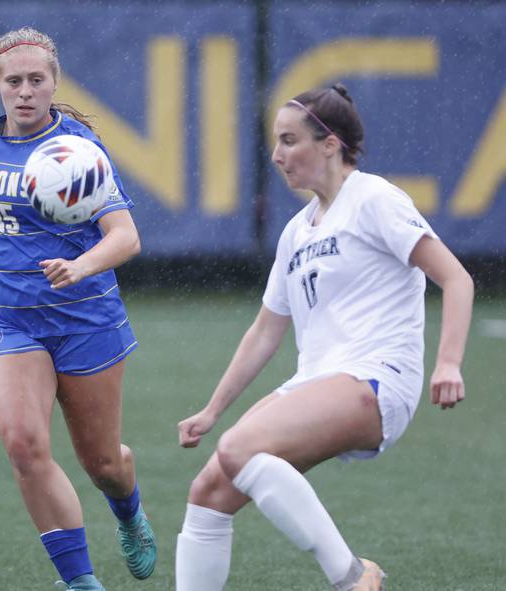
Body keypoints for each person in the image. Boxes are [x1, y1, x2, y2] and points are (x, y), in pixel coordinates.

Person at [174, 84, 474, 591]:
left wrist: (448, 363)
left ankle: (354, 578)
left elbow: (457, 279)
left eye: (290, 140)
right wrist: (212, 408)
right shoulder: (296, 231)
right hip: (316, 382)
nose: (277, 155)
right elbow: (266, 330)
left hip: (377, 379)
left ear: (330, 144)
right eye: (276, 142)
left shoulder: (374, 199)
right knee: (209, 491)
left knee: (239, 448)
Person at [0, 27, 156, 591]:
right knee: (24, 446)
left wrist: (81, 266)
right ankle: (79, 582)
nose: (24, 91)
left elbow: (125, 237)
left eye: (36, 80)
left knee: (102, 464)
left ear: (54, 83)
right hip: (11, 320)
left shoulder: (78, 149)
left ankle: (128, 510)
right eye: (13, 81)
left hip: (85, 320)